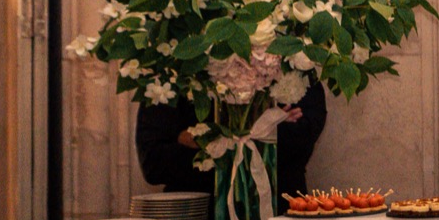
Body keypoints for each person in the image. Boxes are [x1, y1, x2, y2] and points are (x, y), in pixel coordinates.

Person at [134, 81, 328, 197]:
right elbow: (153, 163)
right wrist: (263, 131)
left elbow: (299, 143)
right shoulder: (174, 70)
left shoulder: (294, 63)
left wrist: (207, 140)